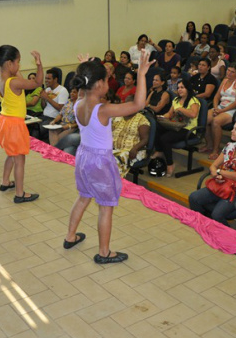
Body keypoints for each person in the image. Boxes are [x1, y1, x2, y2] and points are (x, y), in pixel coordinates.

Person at [63, 51, 152, 264]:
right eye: (105, 80)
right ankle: (104, 252)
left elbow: (86, 89)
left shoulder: (79, 103)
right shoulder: (103, 109)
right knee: (105, 207)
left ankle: (70, 237)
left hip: (83, 156)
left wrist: (86, 66)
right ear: (101, 84)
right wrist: (141, 74)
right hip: (100, 161)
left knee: (83, 197)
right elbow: (138, 105)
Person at [0, 46, 43, 203]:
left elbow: (18, 76)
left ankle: (5, 182)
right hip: (14, 124)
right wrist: (39, 64)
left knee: (11, 154)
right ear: (9, 63)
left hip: (4, 121)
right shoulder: (14, 82)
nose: (19, 66)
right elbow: (38, 82)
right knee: (20, 159)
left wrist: (15, 69)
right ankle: (20, 194)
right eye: (18, 62)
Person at [189, 119, 236, 225]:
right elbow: (213, 166)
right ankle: (203, 226)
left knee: (217, 214)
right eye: (233, 128)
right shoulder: (229, 146)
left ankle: (226, 236)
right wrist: (215, 174)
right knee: (193, 198)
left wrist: (219, 172)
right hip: (223, 184)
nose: (232, 131)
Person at [153, 81, 201, 177]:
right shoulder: (175, 100)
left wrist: (181, 109)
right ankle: (160, 151)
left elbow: (193, 114)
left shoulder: (193, 100)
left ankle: (170, 164)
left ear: (187, 89)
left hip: (188, 129)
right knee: (156, 126)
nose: (179, 89)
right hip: (175, 126)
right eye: (178, 87)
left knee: (165, 138)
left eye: (182, 87)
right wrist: (162, 117)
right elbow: (170, 114)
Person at [202, 66, 236, 159]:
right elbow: (216, 97)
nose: (229, 73)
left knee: (216, 121)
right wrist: (215, 108)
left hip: (232, 109)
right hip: (220, 107)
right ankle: (209, 144)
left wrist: (221, 111)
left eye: (232, 72)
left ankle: (216, 150)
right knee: (204, 118)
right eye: (228, 70)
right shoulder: (224, 80)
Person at [112, 95, 150, 177]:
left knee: (113, 160)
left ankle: (114, 185)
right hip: (114, 148)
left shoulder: (142, 120)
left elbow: (145, 139)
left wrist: (135, 148)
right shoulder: (118, 116)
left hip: (133, 150)